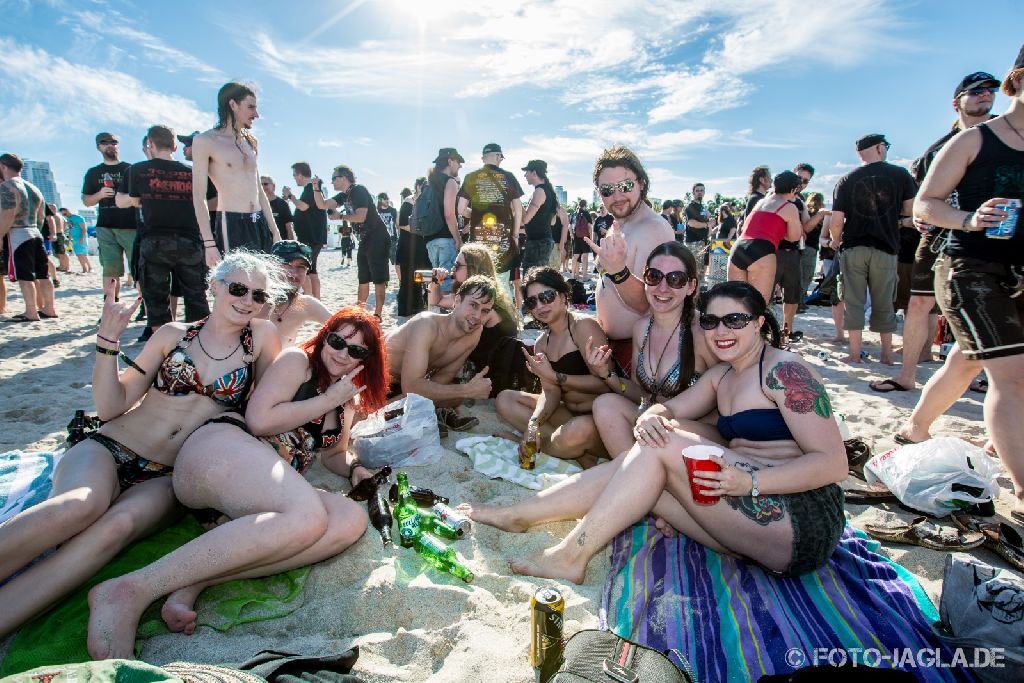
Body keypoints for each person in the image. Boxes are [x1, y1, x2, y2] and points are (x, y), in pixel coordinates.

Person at [464, 281, 846, 583]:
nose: (721, 330)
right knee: (646, 458)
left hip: (800, 524)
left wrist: (752, 483)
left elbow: (833, 464)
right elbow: (672, 408)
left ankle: (570, 555)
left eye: (736, 320)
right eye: (711, 322)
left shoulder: (784, 370)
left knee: (661, 445)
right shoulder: (721, 376)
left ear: (760, 322)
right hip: (744, 525)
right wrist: (653, 415)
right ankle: (520, 514)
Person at [0, 250, 285, 639]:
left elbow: (266, 405)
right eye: (238, 289)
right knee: (77, 507)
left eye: (258, 296)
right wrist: (107, 341)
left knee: (116, 527)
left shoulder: (262, 338)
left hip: (167, 475)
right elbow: (113, 404)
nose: (248, 301)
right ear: (214, 287)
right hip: (110, 446)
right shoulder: (172, 334)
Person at [87, 306, 389, 656]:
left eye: (356, 351)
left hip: (258, 492)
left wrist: (354, 468)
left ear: (367, 360)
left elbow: (333, 455)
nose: (342, 353)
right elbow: (259, 420)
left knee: (348, 521)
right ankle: (130, 590)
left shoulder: (343, 402)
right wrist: (326, 399)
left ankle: (198, 577)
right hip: (220, 451)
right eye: (337, 341)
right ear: (324, 337)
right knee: (308, 515)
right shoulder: (298, 363)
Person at [913, 45, 1024, 520]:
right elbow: (924, 205)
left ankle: (915, 427)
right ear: (1017, 78)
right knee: (1011, 374)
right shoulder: (976, 141)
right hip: (972, 268)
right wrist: (970, 218)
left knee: (968, 360)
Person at [871, 71, 998, 393]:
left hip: (996, 240)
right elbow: (920, 203)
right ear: (957, 102)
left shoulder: (1007, 138)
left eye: (990, 90)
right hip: (941, 238)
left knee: (988, 311)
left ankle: (988, 377)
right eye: (976, 91)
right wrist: (923, 216)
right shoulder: (939, 149)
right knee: (918, 305)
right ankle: (906, 375)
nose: (985, 94)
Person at [586, 241, 719, 459]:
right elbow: (641, 395)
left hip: (696, 435)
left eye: (675, 279)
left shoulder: (705, 333)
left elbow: (728, 401)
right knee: (605, 404)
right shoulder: (641, 328)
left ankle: (629, 476)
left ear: (691, 286)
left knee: (659, 432)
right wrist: (606, 374)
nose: (663, 288)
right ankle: (629, 474)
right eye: (655, 276)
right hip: (654, 424)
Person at [497, 268, 610, 467]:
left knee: (576, 432)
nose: (540, 305)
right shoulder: (542, 343)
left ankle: (545, 446)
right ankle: (552, 445)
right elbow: (550, 392)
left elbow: (606, 383)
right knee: (505, 399)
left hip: (599, 418)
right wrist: (533, 424)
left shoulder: (583, 327)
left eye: (546, 296)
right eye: (532, 302)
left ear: (563, 295)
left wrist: (557, 376)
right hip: (566, 414)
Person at [585, 146, 676, 375]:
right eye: (607, 190)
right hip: (613, 346)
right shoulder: (621, 225)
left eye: (625, 186)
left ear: (642, 183)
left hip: (638, 352)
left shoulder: (653, 229)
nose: (617, 196)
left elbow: (652, 301)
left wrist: (618, 271)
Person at [117, 125, 213, 338]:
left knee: (156, 300)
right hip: (190, 241)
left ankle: (164, 346)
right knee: (196, 296)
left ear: (150, 143)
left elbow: (127, 200)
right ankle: (197, 342)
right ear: (175, 146)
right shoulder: (192, 171)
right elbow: (210, 202)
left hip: (154, 240)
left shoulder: (137, 170)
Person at [829, 134, 918, 365]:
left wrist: (835, 240)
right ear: (879, 148)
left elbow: (836, 219)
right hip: (886, 247)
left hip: (854, 246)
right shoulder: (900, 175)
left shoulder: (847, 179)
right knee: (884, 302)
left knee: (854, 301)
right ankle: (886, 354)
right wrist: (894, 222)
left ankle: (855, 353)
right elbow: (910, 211)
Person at [191, 82, 281, 259]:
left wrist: (275, 231)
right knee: (236, 285)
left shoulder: (250, 142)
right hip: (231, 223)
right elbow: (198, 195)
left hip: (258, 221)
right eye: (250, 107)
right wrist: (209, 244)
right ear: (233, 105)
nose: (256, 114)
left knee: (262, 284)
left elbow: (259, 191)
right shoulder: (205, 141)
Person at [386, 275, 495, 414]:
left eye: (485, 311)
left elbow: (443, 378)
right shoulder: (426, 324)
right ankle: (387, 410)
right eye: (473, 305)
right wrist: (467, 390)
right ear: (457, 300)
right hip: (375, 373)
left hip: (404, 385)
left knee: (454, 399)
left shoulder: (475, 332)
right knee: (456, 394)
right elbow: (411, 386)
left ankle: (392, 409)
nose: (477, 316)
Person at [317, 165, 391, 319]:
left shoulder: (358, 190)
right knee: (363, 277)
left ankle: (378, 314)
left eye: (334, 178)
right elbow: (322, 205)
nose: (332, 182)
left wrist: (341, 217)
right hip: (365, 239)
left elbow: (361, 216)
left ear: (344, 178)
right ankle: (360, 313)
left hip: (377, 236)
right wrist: (315, 188)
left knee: (378, 278)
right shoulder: (344, 195)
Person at [457, 143, 524, 298]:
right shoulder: (509, 177)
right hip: (502, 241)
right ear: (498, 156)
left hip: (478, 243)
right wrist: (514, 235)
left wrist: (474, 214)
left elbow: (460, 209)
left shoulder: (470, 177)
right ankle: (503, 319)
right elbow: (518, 209)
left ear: (482, 158)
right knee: (501, 285)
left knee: (478, 284)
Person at [728, 171, 803, 307]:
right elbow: (794, 237)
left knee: (736, 303)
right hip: (762, 249)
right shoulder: (789, 207)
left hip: (739, 248)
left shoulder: (760, 202)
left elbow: (747, 226)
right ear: (793, 189)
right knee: (758, 306)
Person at [0, 153, 56, 322]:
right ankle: (49, 308)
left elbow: (8, 214)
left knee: (25, 276)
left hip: (18, 233)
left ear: (3, 166)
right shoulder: (34, 188)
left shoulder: (7, 186)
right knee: (43, 274)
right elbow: (41, 217)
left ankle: (30, 311)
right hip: (35, 232)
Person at [82, 132, 138, 300]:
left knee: (138, 268)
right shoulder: (93, 172)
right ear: (99, 147)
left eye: (114, 142)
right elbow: (86, 201)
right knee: (110, 269)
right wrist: (99, 194)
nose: (110, 145)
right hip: (105, 226)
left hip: (131, 225)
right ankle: (111, 306)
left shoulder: (130, 168)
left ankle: (146, 306)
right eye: (105, 142)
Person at [264, 240, 331, 346]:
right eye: (287, 264)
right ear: (272, 267)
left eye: (301, 267)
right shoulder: (253, 300)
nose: (294, 273)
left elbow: (339, 325)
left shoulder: (305, 304)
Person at [284, 162, 327, 299]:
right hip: (313, 237)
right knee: (312, 271)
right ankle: (317, 300)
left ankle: (310, 301)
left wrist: (290, 196)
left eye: (294, 175)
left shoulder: (310, 188)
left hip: (311, 237)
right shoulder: (310, 188)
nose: (294, 178)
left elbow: (303, 206)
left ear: (300, 174)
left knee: (303, 270)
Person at [423, 148, 465, 286]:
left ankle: (433, 307)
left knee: (436, 282)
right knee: (447, 285)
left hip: (430, 241)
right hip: (446, 239)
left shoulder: (428, 183)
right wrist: (458, 239)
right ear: (450, 161)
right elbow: (449, 214)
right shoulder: (450, 182)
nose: (460, 165)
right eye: (458, 161)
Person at [396, 180, 431, 317]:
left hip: (421, 248)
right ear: (417, 187)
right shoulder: (409, 201)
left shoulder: (426, 201)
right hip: (408, 248)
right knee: (408, 282)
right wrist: (420, 228)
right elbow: (401, 223)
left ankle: (420, 309)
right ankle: (407, 313)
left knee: (422, 279)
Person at [520, 160, 558, 273]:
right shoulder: (549, 192)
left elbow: (525, 219)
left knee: (531, 279)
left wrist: (516, 201)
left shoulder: (539, 191)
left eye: (526, 172)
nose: (525, 175)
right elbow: (553, 222)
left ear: (534, 173)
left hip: (537, 243)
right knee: (538, 279)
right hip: (544, 241)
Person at [684, 183, 714, 284]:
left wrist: (711, 221)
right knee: (694, 273)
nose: (700, 192)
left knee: (700, 273)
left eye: (702, 190)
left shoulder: (702, 207)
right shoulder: (690, 207)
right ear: (693, 192)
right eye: (697, 190)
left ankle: (698, 296)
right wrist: (707, 224)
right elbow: (691, 223)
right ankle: (691, 297)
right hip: (694, 243)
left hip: (703, 242)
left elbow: (709, 218)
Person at [262, 176, 294, 241]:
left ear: (273, 186)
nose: (262, 186)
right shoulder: (258, 204)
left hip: (279, 245)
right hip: (262, 245)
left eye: (265, 184)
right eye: (260, 184)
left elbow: (289, 227)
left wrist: (292, 245)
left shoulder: (282, 204)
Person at [61, 207, 92, 273]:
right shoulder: (69, 219)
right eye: (63, 214)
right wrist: (69, 240)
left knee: (80, 254)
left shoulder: (78, 218)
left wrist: (81, 238)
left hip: (81, 238)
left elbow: (84, 229)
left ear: (68, 210)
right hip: (74, 239)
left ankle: (85, 269)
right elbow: (70, 230)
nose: (65, 215)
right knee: (81, 254)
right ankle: (89, 268)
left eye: (65, 213)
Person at [377, 192, 400, 281]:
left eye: (388, 198)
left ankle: (400, 281)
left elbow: (397, 225)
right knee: (383, 262)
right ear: (380, 200)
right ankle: (385, 281)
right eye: (385, 198)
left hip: (393, 240)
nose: (387, 200)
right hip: (380, 241)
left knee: (396, 262)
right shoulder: (376, 212)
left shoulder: (393, 210)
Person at [571, 199, 592, 281]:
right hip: (585, 237)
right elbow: (589, 226)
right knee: (585, 256)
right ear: (585, 205)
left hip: (576, 237)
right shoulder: (586, 213)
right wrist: (591, 238)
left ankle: (573, 275)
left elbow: (570, 226)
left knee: (575, 256)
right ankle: (584, 276)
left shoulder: (574, 214)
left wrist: (572, 235)